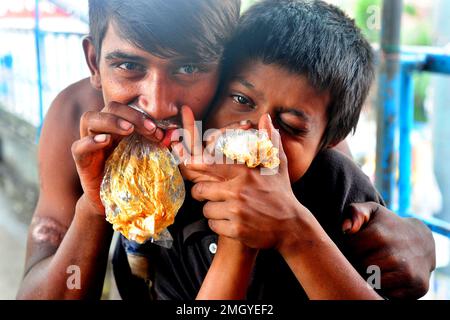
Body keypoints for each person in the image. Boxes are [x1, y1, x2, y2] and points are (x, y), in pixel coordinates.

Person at [16, 0, 434, 300]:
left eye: (189, 68)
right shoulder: (77, 123)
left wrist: (419, 236)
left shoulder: (267, 140)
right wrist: (94, 207)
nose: (158, 104)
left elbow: (348, 200)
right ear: (93, 60)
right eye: (128, 65)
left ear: (225, 62)